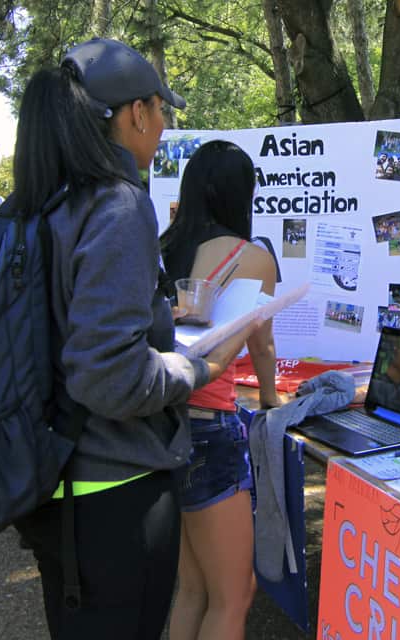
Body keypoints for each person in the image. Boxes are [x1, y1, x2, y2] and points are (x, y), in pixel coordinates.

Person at [9, 38, 251, 640]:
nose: (164, 126)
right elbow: (109, 376)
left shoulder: (41, 201)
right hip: (114, 489)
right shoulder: (117, 204)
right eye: (161, 110)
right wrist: (196, 368)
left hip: (48, 473)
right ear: (135, 113)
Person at [160, 140, 280, 640]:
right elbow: (263, 345)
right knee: (234, 595)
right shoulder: (251, 257)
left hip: (161, 419)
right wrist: (272, 401)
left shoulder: (163, 247)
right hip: (210, 427)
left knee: (192, 587)